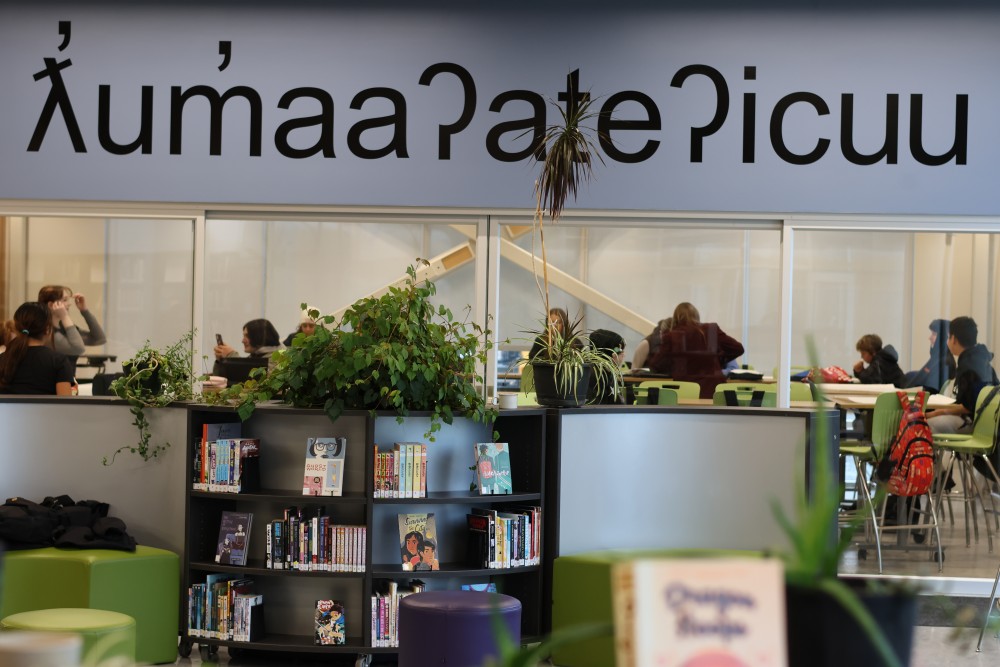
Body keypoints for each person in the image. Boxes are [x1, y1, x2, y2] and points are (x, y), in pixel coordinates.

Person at [647, 302, 744, 399]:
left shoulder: (672, 336)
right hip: (714, 392)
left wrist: (673, 366)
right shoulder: (711, 329)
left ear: (676, 318)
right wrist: (717, 360)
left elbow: (656, 365)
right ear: (697, 316)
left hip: (686, 393)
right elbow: (738, 348)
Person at [927, 316, 999, 435]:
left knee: (925, 425)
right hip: (988, 423)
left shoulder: (968, 366)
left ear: (954, 339)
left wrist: (936, 413)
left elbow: (968, 407)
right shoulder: (978, 359)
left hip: (976, 423)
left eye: (948, 337)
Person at [0, 302, 75, 396]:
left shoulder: (3, 359)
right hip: (46, 407)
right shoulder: (58, 361)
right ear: (48, 329)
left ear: (16, 329)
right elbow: (65, 402)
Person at [37, 285, 107, 368]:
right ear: (51, 305)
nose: (69, 304)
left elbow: (99, 339)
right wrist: (64, 316)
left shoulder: (63, 327)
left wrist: (84, 310)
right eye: (65, 300)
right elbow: (79, 349)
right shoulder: (48, 332)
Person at [905, 319, 956, 393]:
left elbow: (930, 389)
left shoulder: (944, 361)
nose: (930, 337)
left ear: (943, 337)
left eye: (934, 334)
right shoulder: (938, 358)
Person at [213, 318, 282, 374]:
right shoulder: (257, 355)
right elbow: (219, 377)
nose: (243, 341)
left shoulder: (279, 358)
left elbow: (248, 378)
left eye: (247, 336)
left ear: (259, 336)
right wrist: (220, 361)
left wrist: (231, 355)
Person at [587, 328, 626, 405]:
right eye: (621, 351)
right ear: (613, 354)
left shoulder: (607, 373)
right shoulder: (595, 377)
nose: (624, 355)